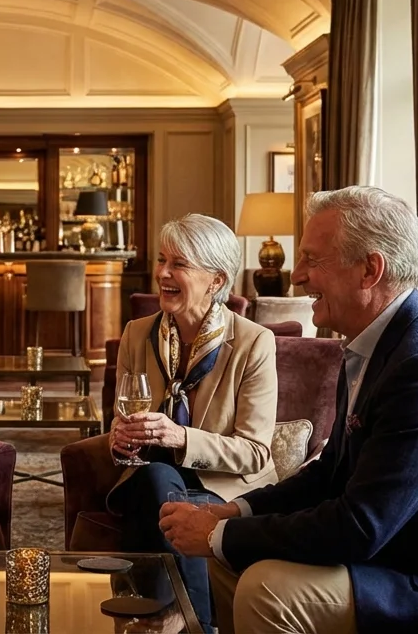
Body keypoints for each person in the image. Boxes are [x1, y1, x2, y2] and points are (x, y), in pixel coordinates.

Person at [159, 186, 418, 634]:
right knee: (226, 560)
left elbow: (360, 525)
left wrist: (219, 536)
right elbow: (329, 472)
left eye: (313, 260)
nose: (297, 276)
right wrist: (235, 514)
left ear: (370, 270)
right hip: (396, 552)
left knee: (266, 587)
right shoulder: (371, 347)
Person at [103, 213, 278, 631]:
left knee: (159, 492)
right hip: (150, 478)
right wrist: (119, 439)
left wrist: (181, 437)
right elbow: (118, 420)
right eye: (163, 260)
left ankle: (150, 618)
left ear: (216, 280)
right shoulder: (136, 333)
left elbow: (255, 452)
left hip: (221, 484)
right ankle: (198, 624)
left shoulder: (253, 342)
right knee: (156, 478)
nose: (162, 272)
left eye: (178, 264)